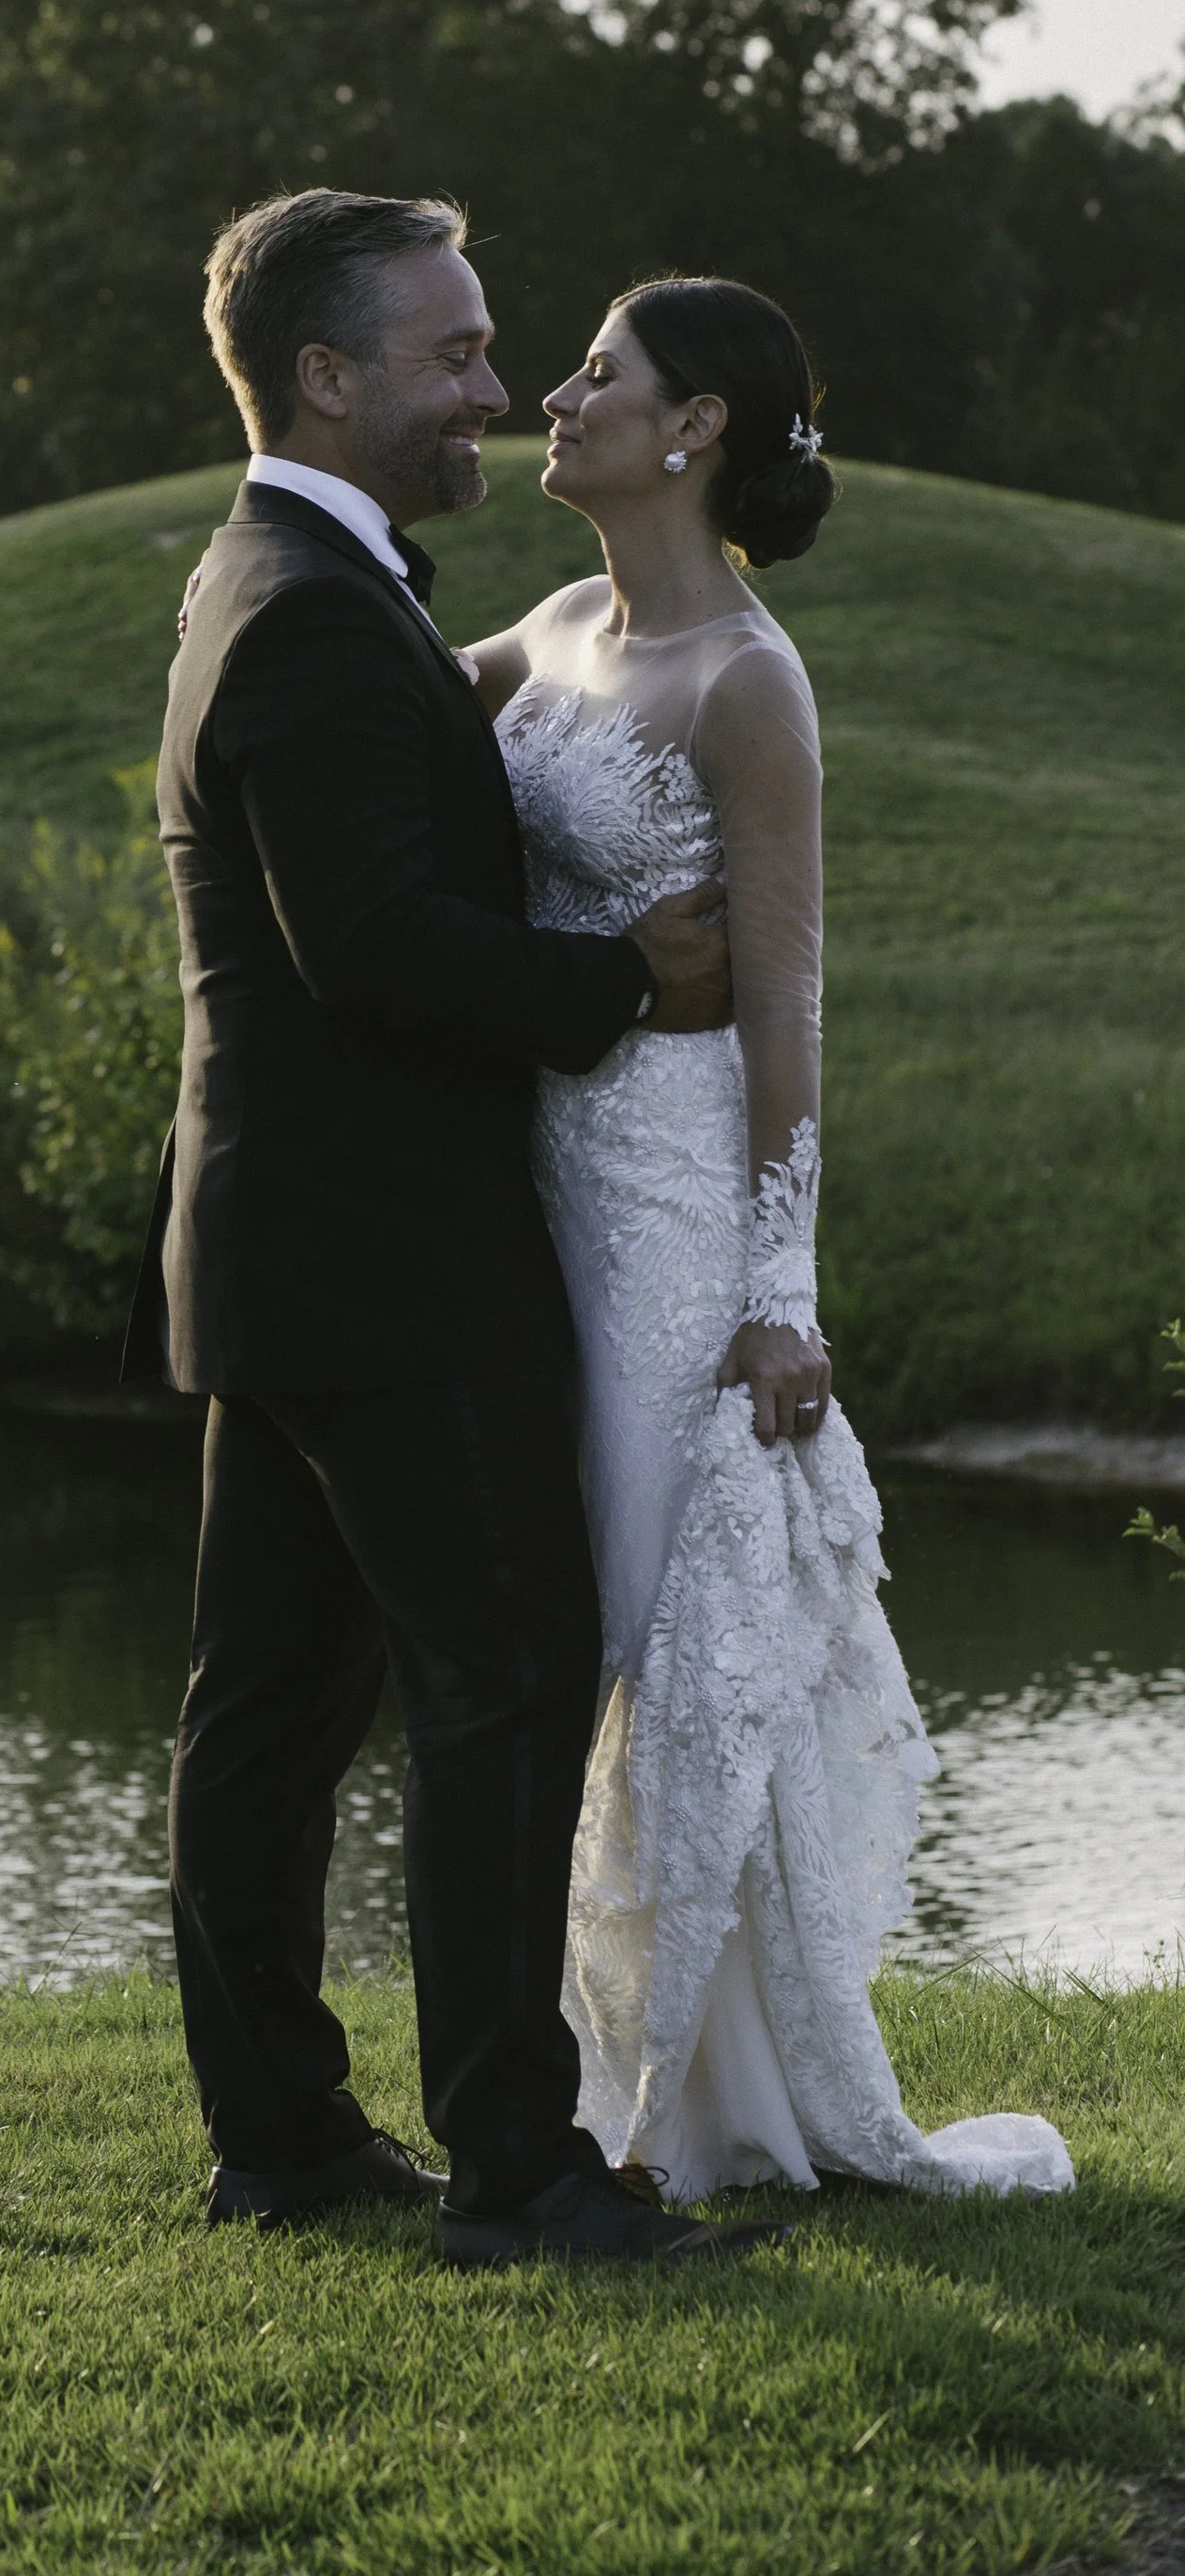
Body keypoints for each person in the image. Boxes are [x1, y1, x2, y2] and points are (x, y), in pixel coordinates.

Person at [124, 187, 794, 2265]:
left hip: (283, 1249)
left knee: (270, 1708)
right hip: (389, 1259)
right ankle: (514, 2161)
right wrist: (626, 988)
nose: (492, 390)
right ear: (327, 377)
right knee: (500, 1674)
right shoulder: (315, 610)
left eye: (499, 350)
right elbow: (374, 950)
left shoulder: (286, 580)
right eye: (452, 355)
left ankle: (288, 2135)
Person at [462, 276, 1071, 2199]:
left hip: (668, 1218)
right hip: (528, 1187)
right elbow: (388, 698)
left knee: (672, 1644)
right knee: (552, 1631)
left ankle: (685, 2105)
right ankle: (560, 2072)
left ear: (694, 424)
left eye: (596, 376)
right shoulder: (554, 627)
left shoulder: (746, 682)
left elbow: (791, 995)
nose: (551, 397)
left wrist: (775, 1299)